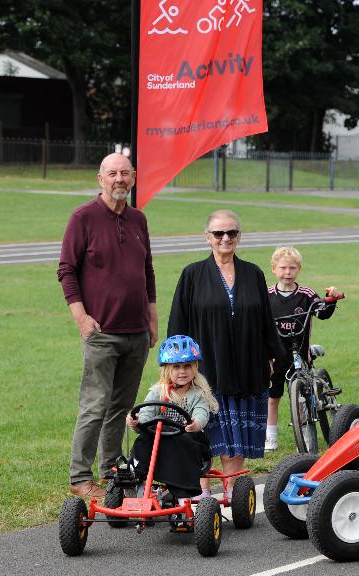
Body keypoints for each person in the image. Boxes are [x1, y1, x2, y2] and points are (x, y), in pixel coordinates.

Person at [57, 153, 157, 499]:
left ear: (133, 178)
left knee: (120, 406)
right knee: (94, 405)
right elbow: (66, 270)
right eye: (112, 173)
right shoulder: (82, 218)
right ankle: (80, 476)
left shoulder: (138, 220)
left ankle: (111, 468)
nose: (119, 179)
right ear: (100, 178)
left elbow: (147, 272)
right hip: (102, 333)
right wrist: (82, 318)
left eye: (124, 173)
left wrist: (152, 318)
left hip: (137, 332)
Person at [168, 210, 282, 498]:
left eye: (231, 233)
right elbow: (178, 324)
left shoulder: (253, 273)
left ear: (239, 237)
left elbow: (266, 320)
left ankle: (232, 494)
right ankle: (202, 493)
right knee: (205, 433)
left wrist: (270, 357)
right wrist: (177, 366)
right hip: (206, 372)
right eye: (219, 233)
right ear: (208, 237)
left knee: (237, 438)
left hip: (247, 366)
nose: (225, 238)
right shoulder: (192, 274)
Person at [264, 246, 341, 452]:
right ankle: (270, 436)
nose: (287, 272)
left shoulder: (306, 294)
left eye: (292, 268)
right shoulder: (267, 295)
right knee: (273, 396)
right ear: (273, 269)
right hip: (275, 354)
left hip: (300, 351)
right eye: (282, 268)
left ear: (298, 269)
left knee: (302, 395)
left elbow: (321, 311)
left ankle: (306, 435)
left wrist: (331, 300)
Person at [125, 335, 218, 501]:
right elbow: (146, 413)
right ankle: (135, 473)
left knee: (183, 440)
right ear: (167, 369)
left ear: (195, 367)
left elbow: (201, 413)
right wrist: (138, 422)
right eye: (176, 367)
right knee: (145, 437)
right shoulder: (158, 392)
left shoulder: (198, 394)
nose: (182, 371)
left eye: (187, 366)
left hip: (190, 441)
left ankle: (183, 495)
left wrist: (196, 423)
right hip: (160, 442)